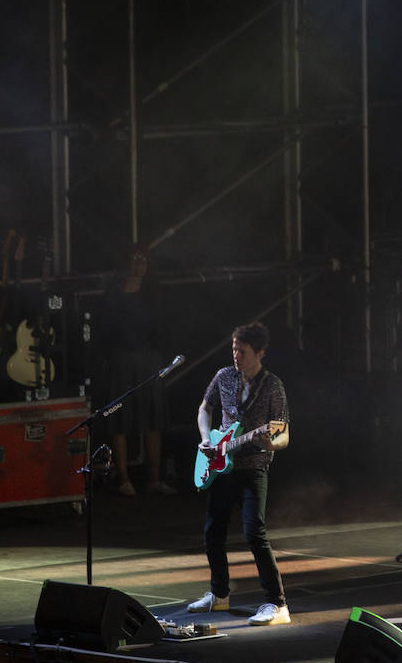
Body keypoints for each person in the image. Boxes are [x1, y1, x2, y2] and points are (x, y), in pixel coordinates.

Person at [185, 321, 291, 625]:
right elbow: (205, 408)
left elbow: (283, 435)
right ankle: (218, 595)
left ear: (260, 353)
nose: (236, 355)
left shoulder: (273, 387)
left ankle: (277, 604)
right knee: (212, 532)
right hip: (221, 465)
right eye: (233, 348)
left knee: (254, 533)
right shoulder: (224, 376)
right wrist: (206, 438)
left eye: (242, 351)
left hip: (254, 467)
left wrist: (269, 441)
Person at [102, 244, 175, 496]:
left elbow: (162, 327)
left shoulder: (153, 293)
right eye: (134, 259)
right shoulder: (113, 294)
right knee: (120, 419)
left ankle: (154, 479)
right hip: (121, 359)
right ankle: (124, 479)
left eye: (143, 260)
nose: (139, 264)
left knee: (153, 417)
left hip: (148, 359)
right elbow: (107, 328)